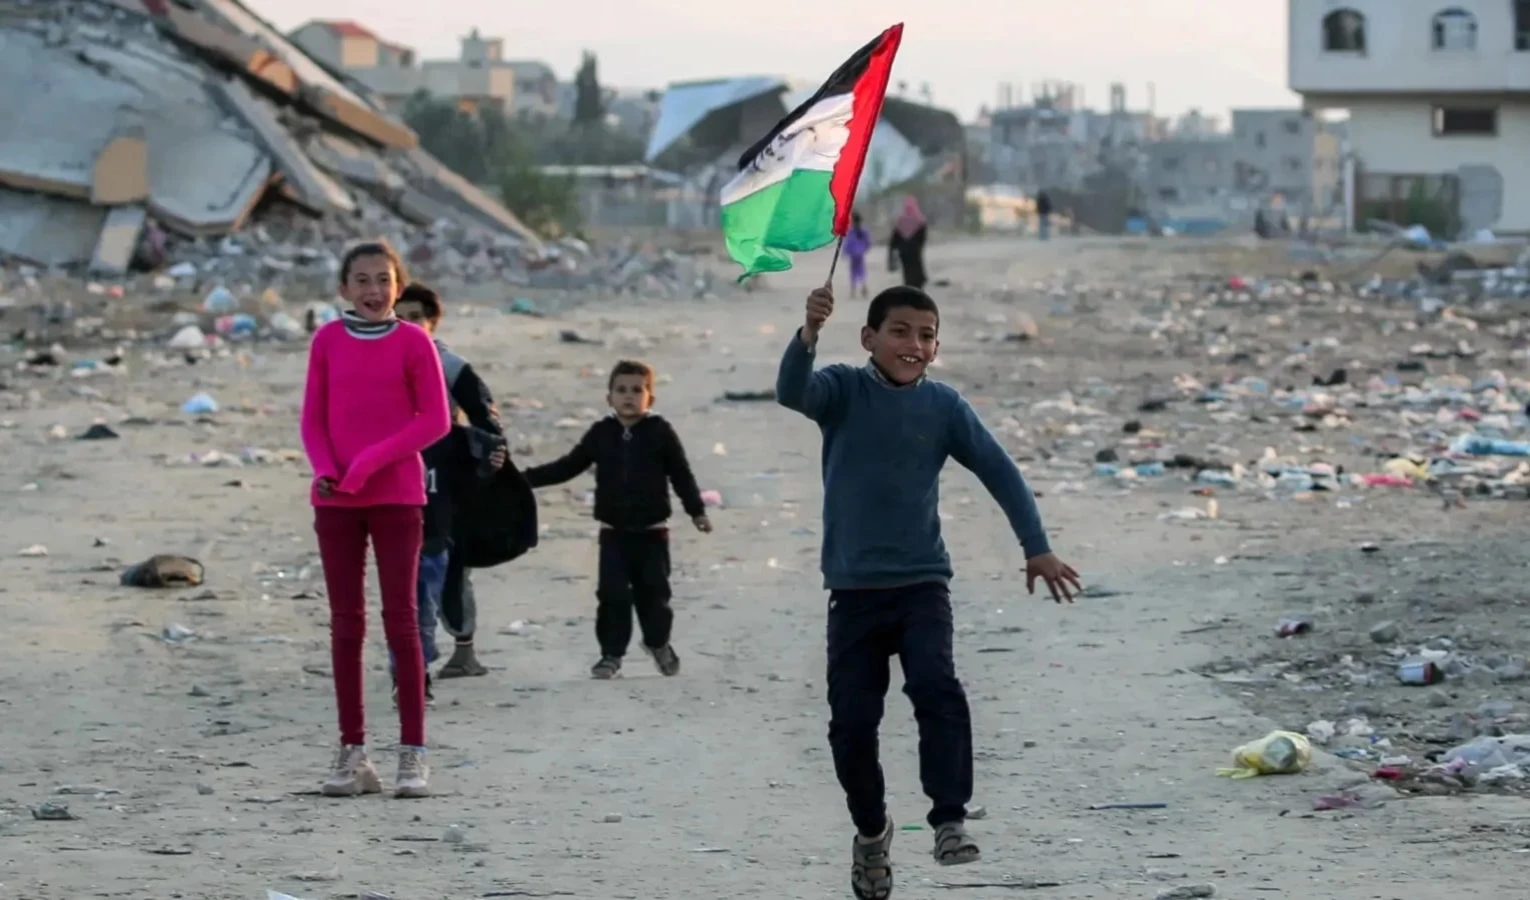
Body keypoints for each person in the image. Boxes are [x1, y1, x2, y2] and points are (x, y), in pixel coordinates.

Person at [774, 284, 1082, 900]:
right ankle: (871, 833)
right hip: (855, 595)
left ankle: (948, 819)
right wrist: (807, 334)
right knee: (851, 726)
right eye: (899, 331)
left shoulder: (943, 407)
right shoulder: (841, 390)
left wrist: (1036, 545)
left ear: (936, 347)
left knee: (937, 687)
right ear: (869, 338)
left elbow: (999, 470)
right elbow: (792, 392)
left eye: (925, 334)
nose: (913, 344)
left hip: (921, 584)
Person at [300, 240, 452, 799]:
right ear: (343, 289)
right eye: (360, 280)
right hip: (335, 498)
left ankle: (413, 755)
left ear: (398, 286)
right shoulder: (327, 340)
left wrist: (367, 464)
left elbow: (433, 420)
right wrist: (328, 469)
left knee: (402, 623)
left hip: (396, 496)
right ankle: (353, 753)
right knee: (345, 625)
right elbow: (313, 419)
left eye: (382, 280)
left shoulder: (414, 342)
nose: (372, 290)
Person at [522, 360, 712, 679]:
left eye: (637, 390)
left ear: (650, 399)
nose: (628, 396)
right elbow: (568, 466)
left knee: (654, 596)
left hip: (653, 534)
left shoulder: (660, 432)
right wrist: (522, 480)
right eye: (621, 390)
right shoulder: (601, 434)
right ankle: (610, 656)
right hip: (614, 535)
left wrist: (697, 510)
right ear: (608, 397)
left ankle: (658, 643)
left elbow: (681, 473)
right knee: (611, 595)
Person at [395, 283, 501, 681]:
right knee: (404, 563)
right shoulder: (378, 362)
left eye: (415, 317)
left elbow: (488, 421)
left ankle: (463, 648)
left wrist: (486, 464)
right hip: (397, 474)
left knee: (449, 563)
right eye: (398, 316)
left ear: (432, 321)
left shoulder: (450, 366)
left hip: (446, 477)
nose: (407, 325)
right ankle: (414, 652)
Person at [887, 196, 928, 289]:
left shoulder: (900, 220)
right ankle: (918, 289)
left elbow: (894, 240)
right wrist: (918, 246)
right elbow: (923, 238)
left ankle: (910, 289)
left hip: (904, 253)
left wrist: (891, 254)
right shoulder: (920, 220)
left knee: (907, 273)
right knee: (917, 272)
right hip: (915, 252)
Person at [843, 212, 873, 298]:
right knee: (861, 271)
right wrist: (865, 249)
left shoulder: (852, 231)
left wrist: (845, 252)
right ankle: (862, 286)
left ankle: (854, 290)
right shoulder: (863, 230)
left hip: (853, 255)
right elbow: (868, 242)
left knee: (854, 272)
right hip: (859, 254)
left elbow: (847, 243)